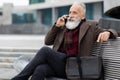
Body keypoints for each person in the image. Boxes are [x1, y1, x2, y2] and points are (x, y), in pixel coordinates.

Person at [11, 3, 118, 80]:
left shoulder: (90, 26)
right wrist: (56, 26)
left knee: (45, 51)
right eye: (70, 12)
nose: (71, 15)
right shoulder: (64, 26)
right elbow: (48, 41)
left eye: (75, 13)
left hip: (75, 66)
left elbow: (115, 31)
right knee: (40, 69)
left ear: (83, 16)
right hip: (60, 65)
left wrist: (108, 33)